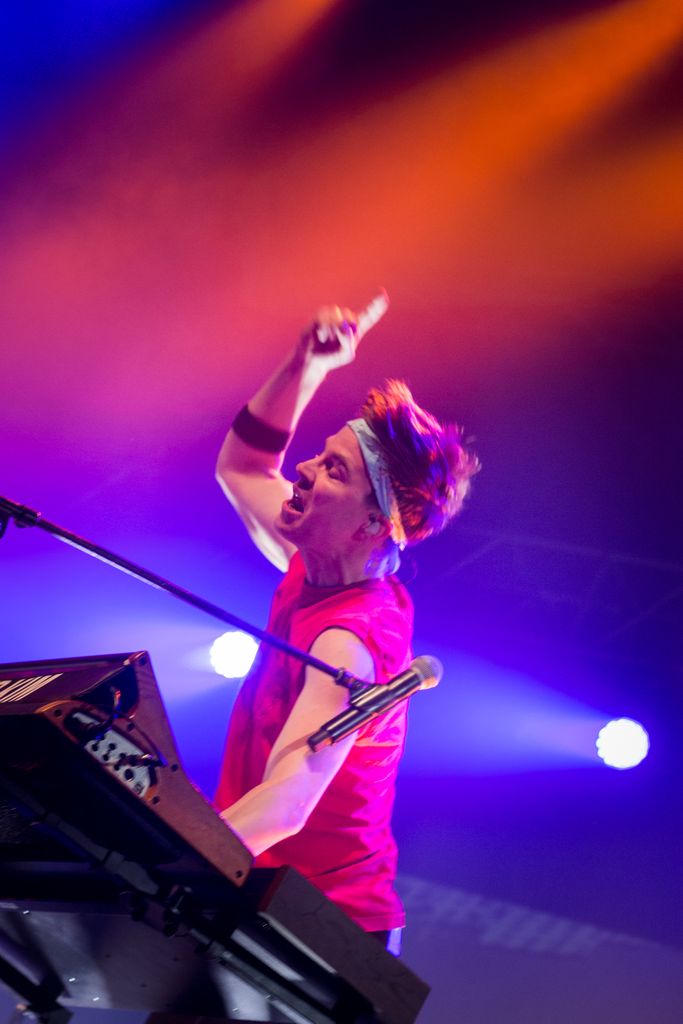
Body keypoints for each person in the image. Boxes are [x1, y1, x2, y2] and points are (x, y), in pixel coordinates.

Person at [214, 296, 479, 952]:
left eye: (332, 470)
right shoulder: (316, 560)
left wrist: (163, 852)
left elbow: (285, 804)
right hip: (253, 885)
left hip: (328, 935)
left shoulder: (349, 642)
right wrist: (305, 366)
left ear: (371, 524)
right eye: (322, 456)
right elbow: (244, 466)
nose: (303, 471)